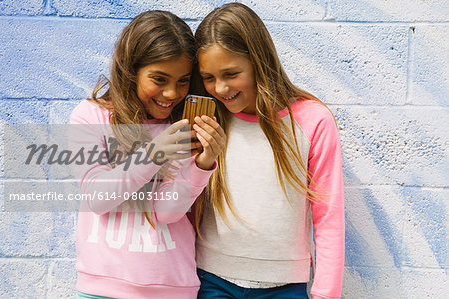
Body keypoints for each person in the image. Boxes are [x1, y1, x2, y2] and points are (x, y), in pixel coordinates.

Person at [69, 10, 225, 299]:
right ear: (131, 70)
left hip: (172, 287)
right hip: (102, 288)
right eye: (159, 79)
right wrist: (155, 153)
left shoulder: (180, 126)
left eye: (182, 81)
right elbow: (97, 198)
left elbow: (167, 214)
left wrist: (202, 165)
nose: (170, 94)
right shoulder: (91, 116)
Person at [193, 3, 345, 299]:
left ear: (259, 62)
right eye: (209, 77)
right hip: (212, 281)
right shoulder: (208, 119)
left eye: (231, 73)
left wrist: (326, 294)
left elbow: (328, 216)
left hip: (286, 287)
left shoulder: (312, 120)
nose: (220, 88)